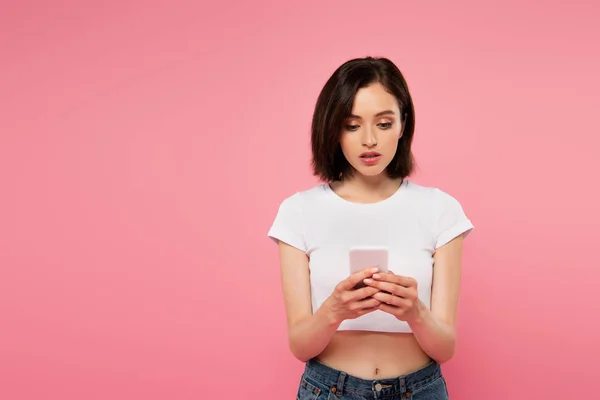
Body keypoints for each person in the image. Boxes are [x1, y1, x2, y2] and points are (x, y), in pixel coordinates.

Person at [267, 56, 474, 400]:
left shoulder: (441, 209)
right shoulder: (298, 212)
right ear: (333, 128)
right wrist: (334, 310)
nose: (369, 140)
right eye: (352, 125)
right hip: (329, 390)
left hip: (419, 390)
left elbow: (445, 348)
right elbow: (301, 346)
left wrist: (415, 313)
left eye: (383, 123)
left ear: (403, 124)